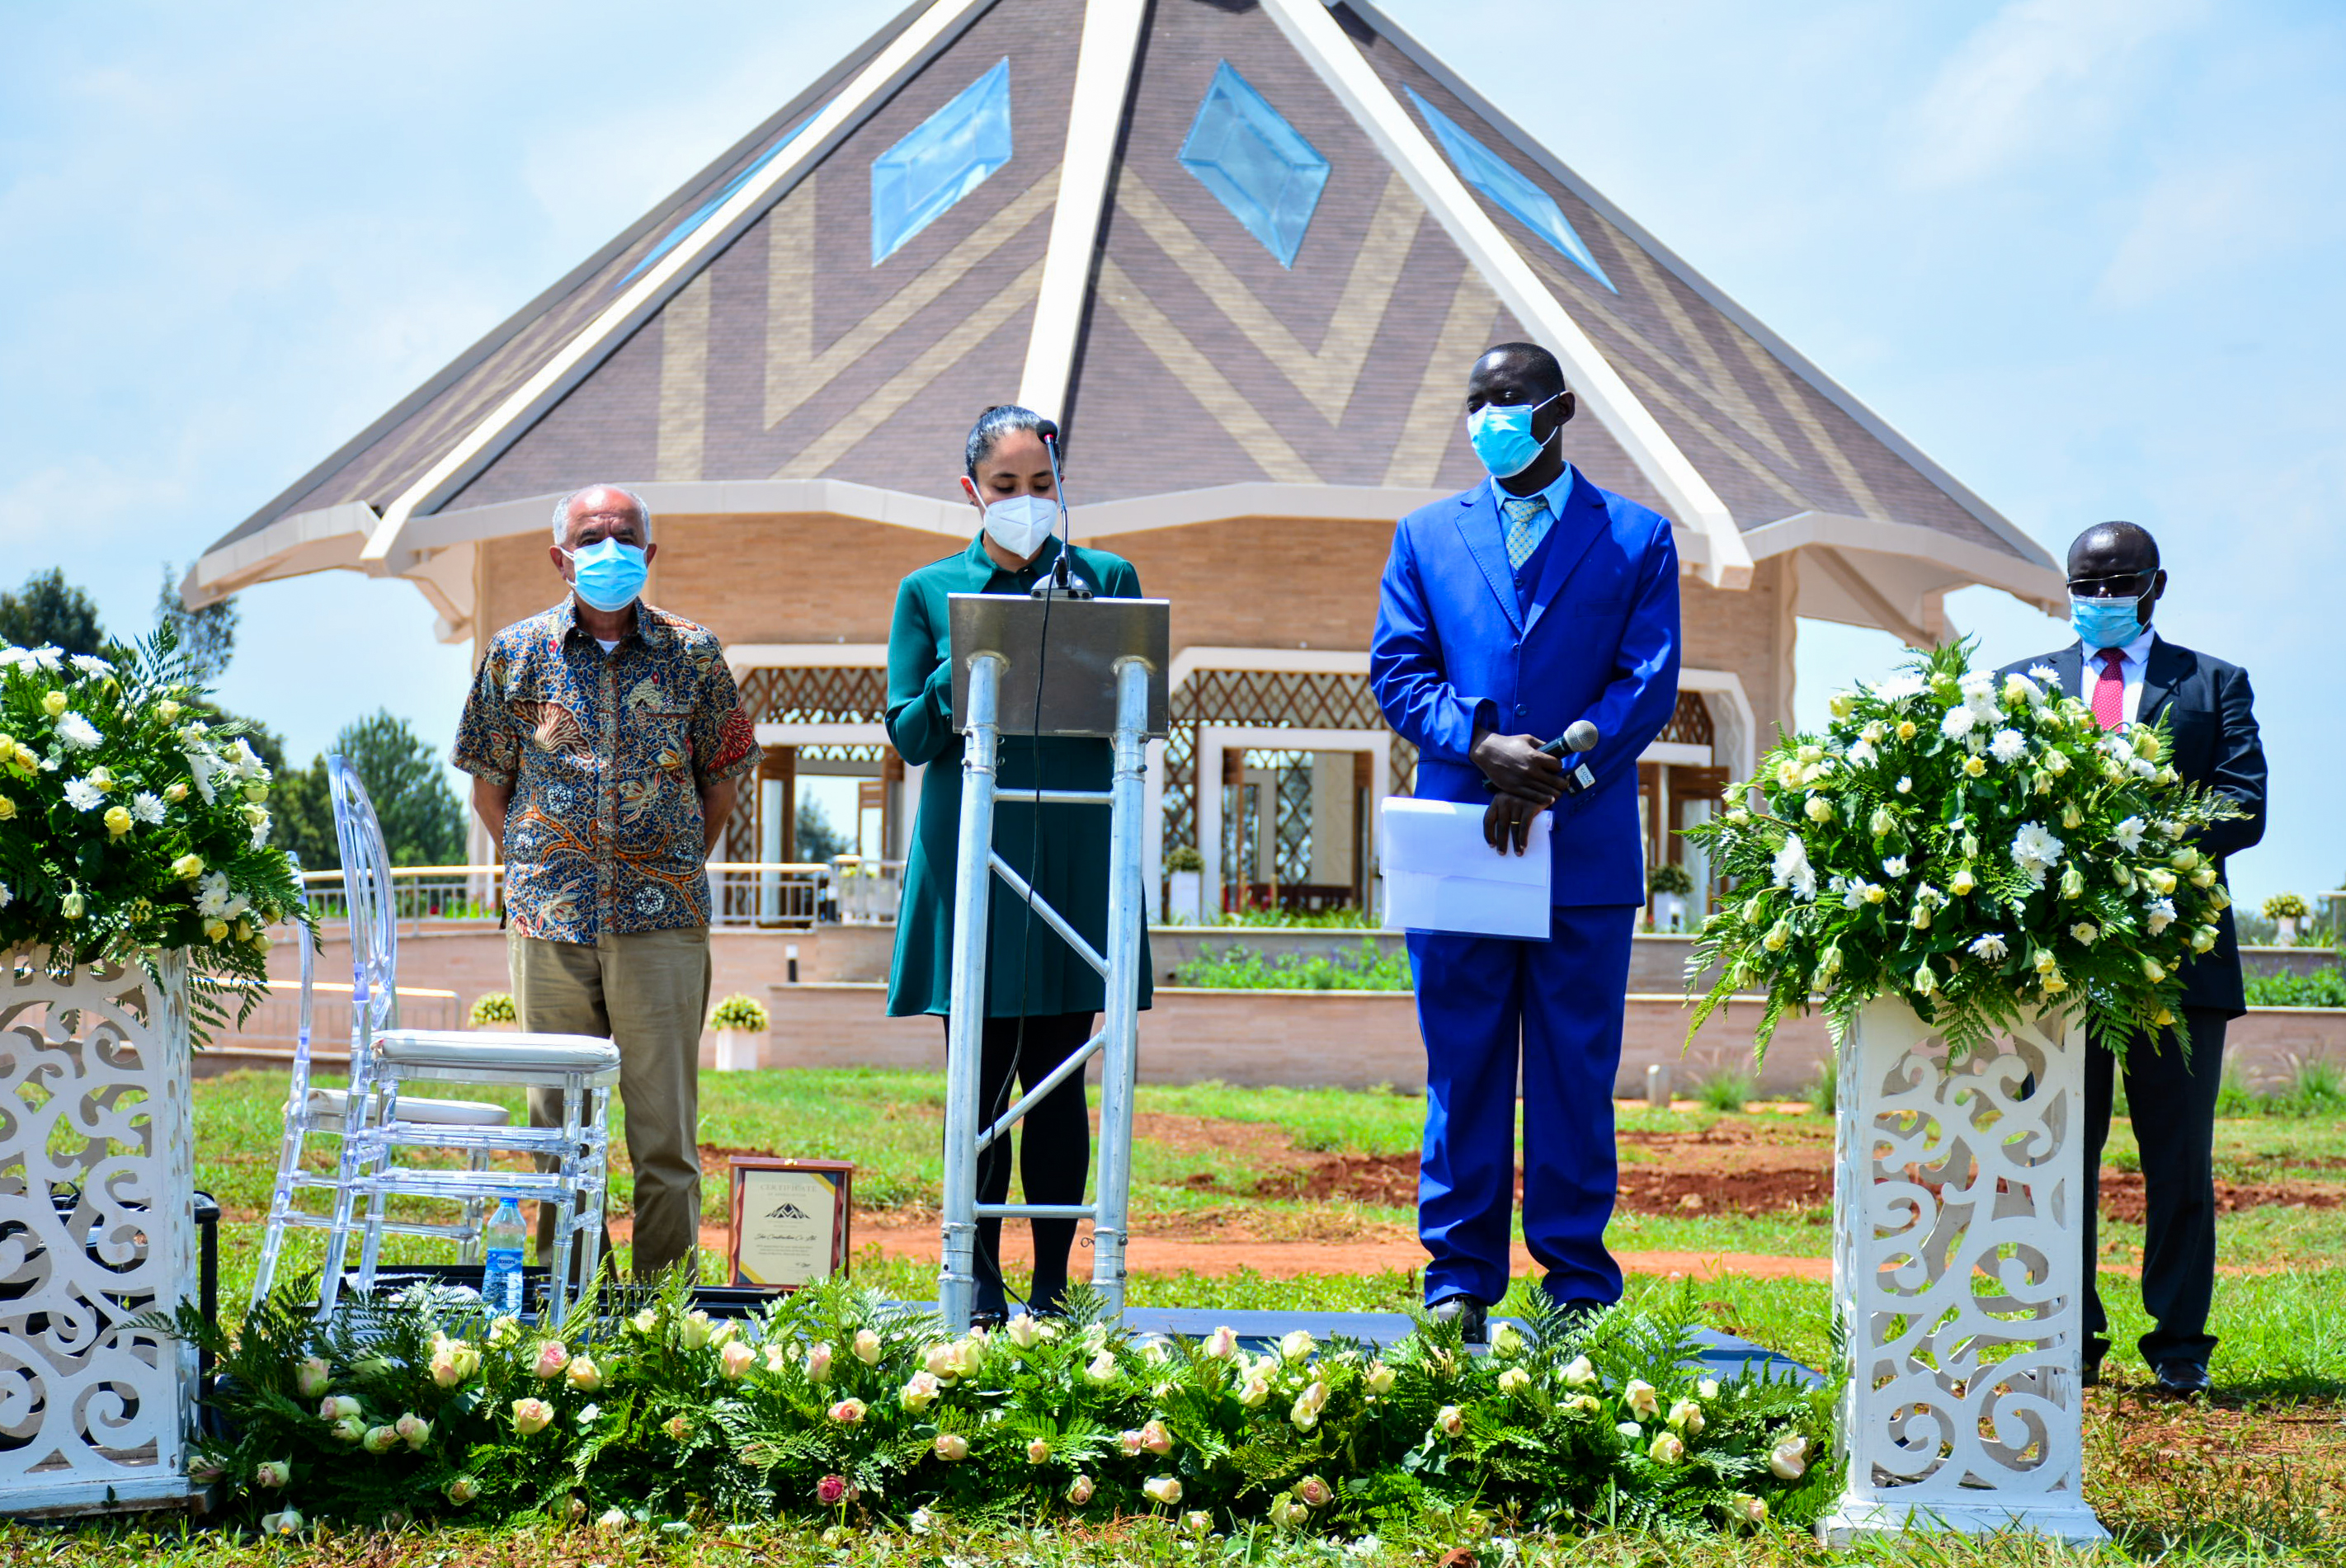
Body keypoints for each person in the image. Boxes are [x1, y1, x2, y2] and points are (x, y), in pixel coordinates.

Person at [1369, 342, 1680, 1341]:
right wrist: (1483, 744)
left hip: (1582, 854)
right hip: (1464, 841)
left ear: (1560, 409)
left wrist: (1560, 770)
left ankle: (1576, 1285)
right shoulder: (1425, 536)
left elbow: (1648, 683)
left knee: (1573, 1069)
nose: (1489, 416)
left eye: (1508, 398)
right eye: (1476, 401)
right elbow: (1399, 668)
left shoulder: (1636, 538)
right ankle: (1458, 1277)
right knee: (1461, 1063)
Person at [883, 405, 1152, 1323]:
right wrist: (969, 657)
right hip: (972, 852)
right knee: (982, 1074)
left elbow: (1132, 700)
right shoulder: (928, 591)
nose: (1026, 502)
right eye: (1006, 486)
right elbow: (912, 734)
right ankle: (982, 1281)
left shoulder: (1106, 577)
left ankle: (1053, 1283)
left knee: (1061, 1073)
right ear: (971, 492)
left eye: (1042, 485)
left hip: (1075, 848)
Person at [454, 483, 761, 1279]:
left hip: (663, 923)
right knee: (561, 1129)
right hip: (549, 924)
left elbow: (721, 780)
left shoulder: (695, 654)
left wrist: (666, 863)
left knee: (665, 1135)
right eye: (591, 538)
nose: (609, 550)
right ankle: (575, 1301)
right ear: (560, 557)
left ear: (650, 554)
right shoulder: (514, 654)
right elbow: (491, 787)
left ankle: (667, 1311)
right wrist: (549, 863)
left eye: (625, 536)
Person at [2000, 520, 2264, 1396]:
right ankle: (2069, 1330)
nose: (2100, 603)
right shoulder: (2021, 685)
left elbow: (2243, 806)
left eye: (2118, 589)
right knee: (2060, 1149)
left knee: (2177, 1155)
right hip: (2061, 968)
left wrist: (2139, 826)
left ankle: (2181, 1345)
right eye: (2086, 588)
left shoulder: (2213, 683)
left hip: (2181, 965)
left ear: (2157, 587)